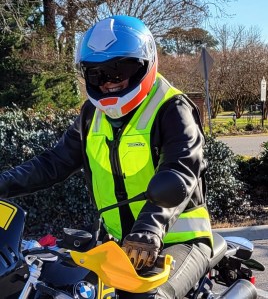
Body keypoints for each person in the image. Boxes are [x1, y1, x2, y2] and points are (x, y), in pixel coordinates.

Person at [0, 15, 213, 298]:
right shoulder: (92, 115)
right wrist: (2, 182)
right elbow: (53, 164)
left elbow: (181, 169)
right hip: (120, 245)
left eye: (118, 71)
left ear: (145, 65)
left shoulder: (172, 108)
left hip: (179, 241)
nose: (108, 83)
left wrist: (150, 225)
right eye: (96, 74)